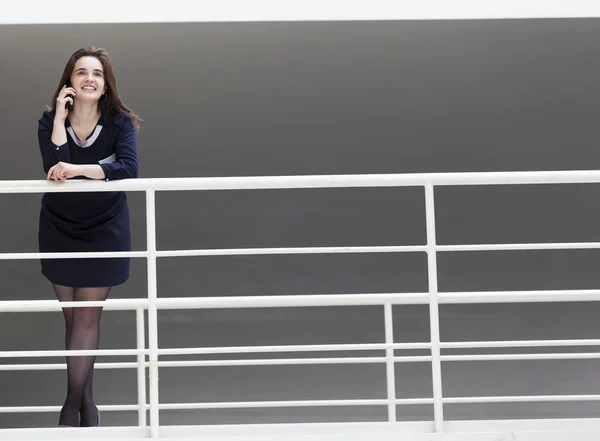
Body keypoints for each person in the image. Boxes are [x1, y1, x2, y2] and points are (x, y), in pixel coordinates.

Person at [37, 46, 141, 427]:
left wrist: (78, 169)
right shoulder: (50, 120)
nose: (89, 79)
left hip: (105, 227)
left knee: (85, 318)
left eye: (96, 73)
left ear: (105, 83)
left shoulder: (119, 123)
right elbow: (53, 168)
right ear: (70, 82)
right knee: (74, 319)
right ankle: (88, 404)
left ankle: (71, 408)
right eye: (81, 72)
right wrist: (60, 121)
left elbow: (129, 168)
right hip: (61, 227)